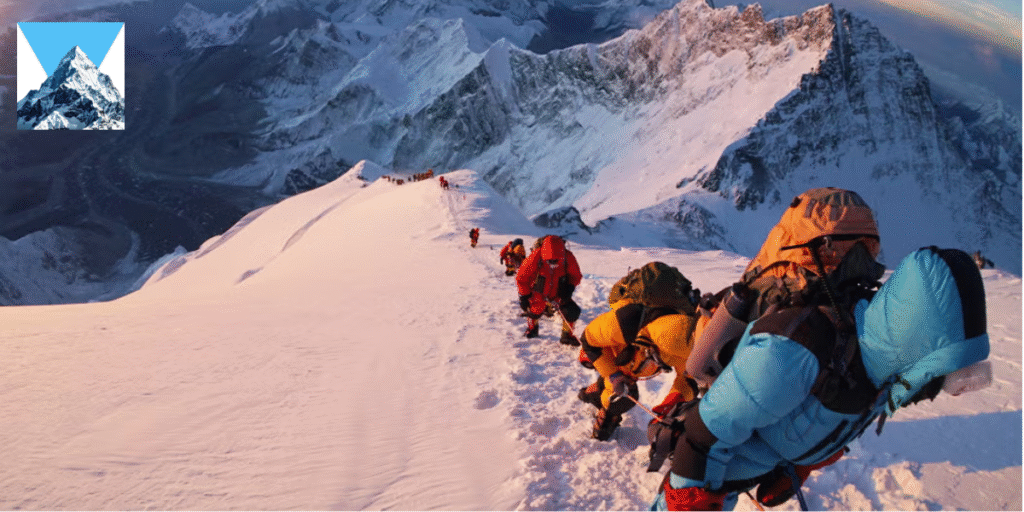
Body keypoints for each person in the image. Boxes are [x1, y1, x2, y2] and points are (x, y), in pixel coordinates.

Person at [650, 247, 989, 511]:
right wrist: (691, 502)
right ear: (918, 344)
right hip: (702, 484)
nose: (946, 387)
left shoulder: (881, 371)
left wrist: (801, 466)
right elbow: (705, 433)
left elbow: (833, 420)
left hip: (740, 475)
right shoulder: (794, 352)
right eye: (942, 370)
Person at [577, 301, 699, 441]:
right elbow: (588, 339)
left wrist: (667, 406)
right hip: (604, 350)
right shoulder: (627, 322)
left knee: (627, 382)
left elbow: (688, 381)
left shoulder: (689, 350)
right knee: (624, 397)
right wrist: (613, 375)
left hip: (633, 366)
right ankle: (608, 407)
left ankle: (596, 390)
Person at [516, 235, 582, 342]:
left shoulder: (568, 257)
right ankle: (532, 329)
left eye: (556, 260)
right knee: (534, 310)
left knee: (571, 311)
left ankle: (567, 335)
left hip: (560, 292)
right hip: (538, 291)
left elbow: (576, 275)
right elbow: (521, 277)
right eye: (549, 261)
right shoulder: (536, 256)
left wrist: (569, 288)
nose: (552, 263)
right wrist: (524, 295)